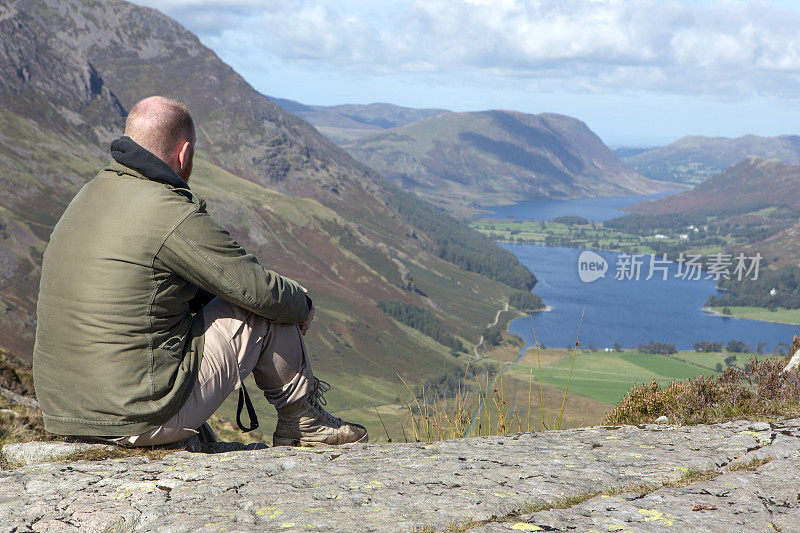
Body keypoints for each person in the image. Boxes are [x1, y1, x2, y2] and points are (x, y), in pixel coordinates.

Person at [32, 96, 367, 447]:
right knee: (269, 304)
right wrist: (302, 304)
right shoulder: (170, 210)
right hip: (135, 415)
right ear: (185, 153)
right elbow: (258, 291)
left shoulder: (87, 196)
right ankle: (305, 423)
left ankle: (187, 431)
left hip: (67, 415)